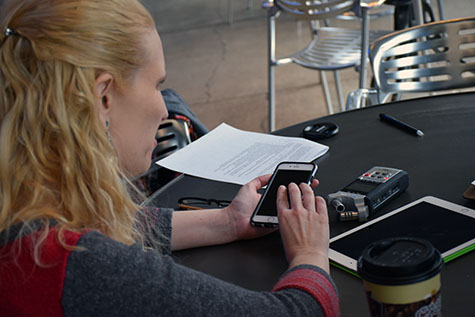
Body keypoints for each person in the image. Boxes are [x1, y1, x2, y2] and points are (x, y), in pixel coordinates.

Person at [0, 0, 339, 316]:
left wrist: (228, 221)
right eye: (156, 84)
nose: (165, 107)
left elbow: (104, 221)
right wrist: (310, 253)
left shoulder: (26, 205)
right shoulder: (78, 263)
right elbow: (298, 311)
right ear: (103, 97)